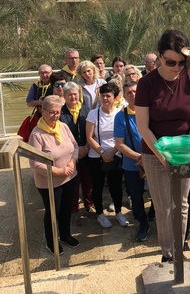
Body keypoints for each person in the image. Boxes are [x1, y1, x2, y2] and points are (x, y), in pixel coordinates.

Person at [135, 30, 190, 262]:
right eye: (171, 62)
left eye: (182, 63)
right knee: (164, 207)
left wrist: (188, 152)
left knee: (181, 205)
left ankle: (179, 250)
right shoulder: (147, 84)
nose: (177, 67)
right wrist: (165, 157)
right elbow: (143, 127)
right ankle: (167, 253)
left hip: (185, 153)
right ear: (159, 57)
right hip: (155, 154)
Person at [29, 95, 79, 255]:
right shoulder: (37, 135)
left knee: (66, 209)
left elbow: (75, 146)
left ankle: (65, 235)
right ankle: (51, 242)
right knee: (53, 212)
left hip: (70, 177)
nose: (55, 115)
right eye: (51, 112)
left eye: (57, 112)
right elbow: (35, 163)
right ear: (42, 111)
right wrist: (59, 171)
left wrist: (72, 162)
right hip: (49, 182)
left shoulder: (63, 126)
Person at [86, 83, 129, 228]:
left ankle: (118, 212)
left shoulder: (120, 114)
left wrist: (112, 152)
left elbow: (122, 137)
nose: (105, 98)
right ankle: (100, 214)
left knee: (115, 186)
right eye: (103, 95)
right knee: (97, 186)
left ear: (115, 97)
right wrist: (103, 153)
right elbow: (89, 137)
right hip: (96, 156)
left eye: (108, 95)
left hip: (115, 154)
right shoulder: (93, 114)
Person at [114, 81, 149, 241]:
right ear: (124, 96)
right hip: (132, 164)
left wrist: (149, 158)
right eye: (129, 92)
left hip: (154, 160)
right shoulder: (120, 116)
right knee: (136, 197)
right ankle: (142, 223)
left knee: (158, 194)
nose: (133, 95)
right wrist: (138, 157)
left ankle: (155, 215)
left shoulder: (150, 111)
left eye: (135, 91)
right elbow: (119, 144)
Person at [60, 82, 93, 213]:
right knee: (72, 184)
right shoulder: (61, 112)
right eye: (69, 95)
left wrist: (86, 147)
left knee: (88, 182)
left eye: (75, 94)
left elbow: (93, 131)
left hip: (87, 151)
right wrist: (76, 151)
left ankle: (89, 205)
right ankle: (74, 209)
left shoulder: (87, 110)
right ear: (64, 95)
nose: (73, 97)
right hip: (69, 155)